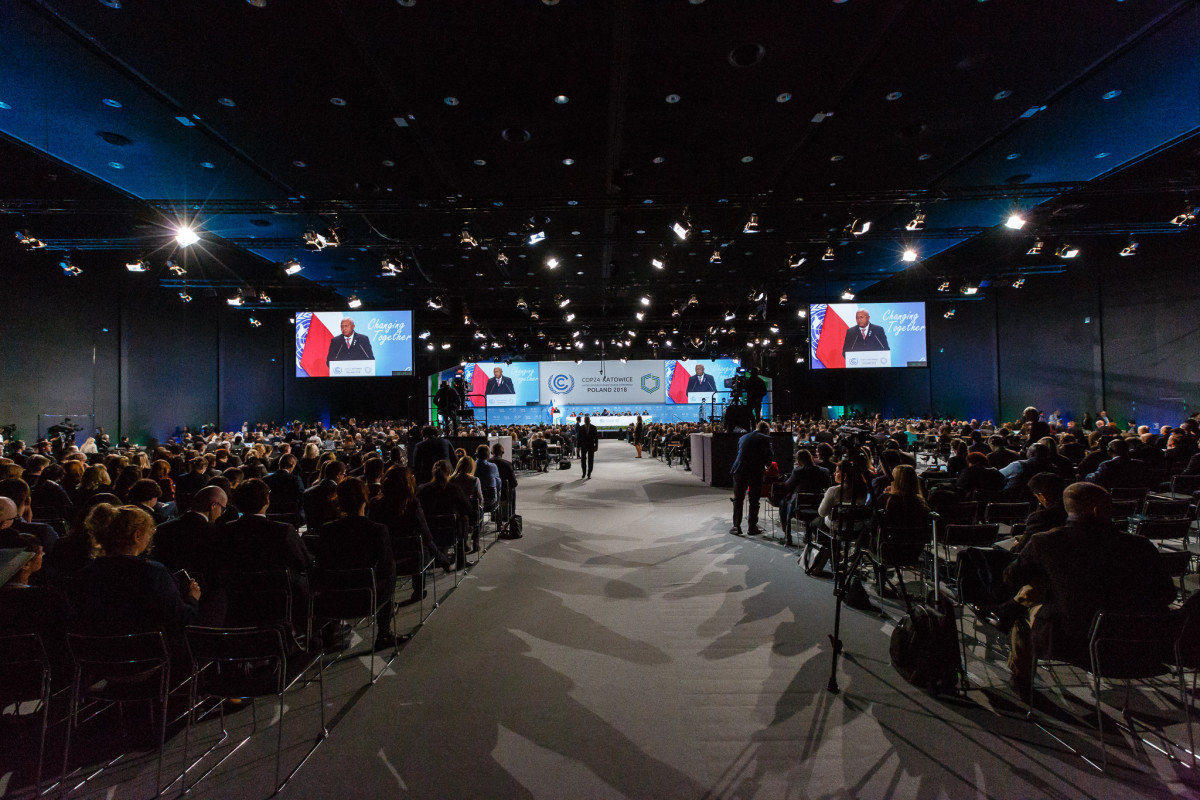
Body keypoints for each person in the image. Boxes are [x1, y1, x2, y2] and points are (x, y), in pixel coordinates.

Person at [1003, 482, 1174, 697]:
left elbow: (1011, 577)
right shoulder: (1141, 545)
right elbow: (1168, 594)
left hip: (1072, 641)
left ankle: (1021, 679)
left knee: (1023, 611)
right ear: (1098, 510)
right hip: (1140, 644)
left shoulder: (1045, 541)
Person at [71, 504, 201, 636]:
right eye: (149, 532)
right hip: (149, 652)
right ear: (137, 536)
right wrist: (192, 599)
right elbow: (181, 619)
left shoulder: (85, 574)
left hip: (96, 652)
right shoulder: (153, 572)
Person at [317, 478, 396, 650]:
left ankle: (329, 632)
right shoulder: (377, 530)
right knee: (390, 574)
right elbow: (386, 569)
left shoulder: (327, 530)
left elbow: (321, 565)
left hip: (333, 600)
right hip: (368, 598)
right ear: (365, 499)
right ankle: (384, 633)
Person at [778, 449, 832, 546]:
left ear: (799, 461)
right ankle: (807, 535)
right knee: (806, 501)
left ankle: (787, 536)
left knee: (783, 503)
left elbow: (787, 486)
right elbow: (828, 486)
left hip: (799, 509)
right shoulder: (824, 471)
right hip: (819, 507)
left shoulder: (797, 472)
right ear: (811, 458)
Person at [730, 421, 773, 536]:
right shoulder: (766, 438)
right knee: (754, 500)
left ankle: (736, 526)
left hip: (739, 470)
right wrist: (767, 465)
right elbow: (769, 458)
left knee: (738, 499)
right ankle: (751, 527)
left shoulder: (743, 437)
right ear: (766, 430)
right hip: (755, 472)